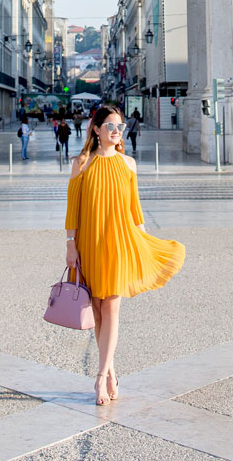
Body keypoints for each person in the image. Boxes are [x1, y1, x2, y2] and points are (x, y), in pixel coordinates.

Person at [65, 104, 184, 406]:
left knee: (112, 308)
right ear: (95, 129)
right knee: (96, 308)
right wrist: (70, 244)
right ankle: (112, 369)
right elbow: (72, 210)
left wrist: (143, 241)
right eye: (110, 126)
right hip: (90, 241)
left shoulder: (128, 164)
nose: (116, 131)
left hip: (118, 241)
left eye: (120, 126)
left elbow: (135, 210)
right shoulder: (82, 163)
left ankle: (100, 377)